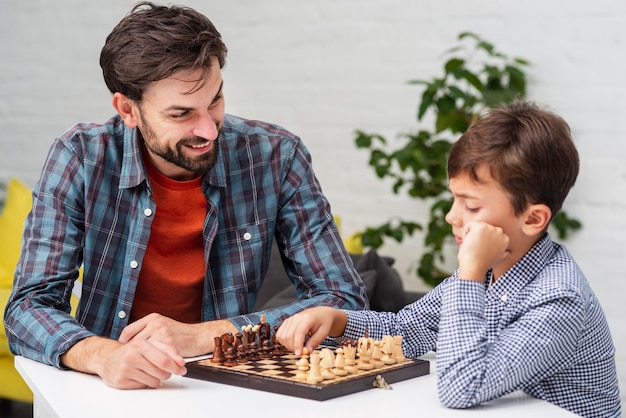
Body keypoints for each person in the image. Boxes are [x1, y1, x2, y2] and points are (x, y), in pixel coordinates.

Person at [4, 2, 367, 390]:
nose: (208, 130)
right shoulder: (80, 157)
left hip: (230, 385)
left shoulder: (276, 156)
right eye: (181, 114)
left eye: (215, 101)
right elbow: (28, 308)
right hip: (106, 388)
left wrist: (209, 334)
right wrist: (102, 354)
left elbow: (343, 299)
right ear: (128, 109)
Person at [276, 101, 621, 417]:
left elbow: (462, 388)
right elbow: (406, 331)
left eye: (471, 206)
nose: (452, 217)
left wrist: (469, 274)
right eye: (454, 199)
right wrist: (336, 319)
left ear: (532, 219)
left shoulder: (559, 298)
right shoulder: (486, 272)